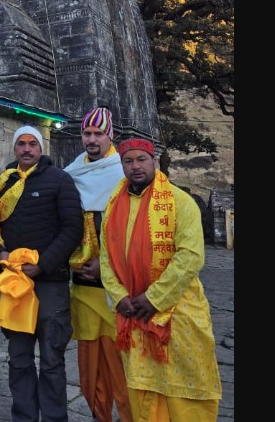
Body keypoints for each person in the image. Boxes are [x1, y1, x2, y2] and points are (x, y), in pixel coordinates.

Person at [99, 138, 222, 421]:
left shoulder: (181, 202)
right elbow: (107, 257)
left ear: (154, 161)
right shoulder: (114, 206)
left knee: (186, 389)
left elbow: (190, 257)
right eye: (128, 161)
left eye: (141, 159)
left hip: (178, 314)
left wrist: (155, 298)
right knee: (143, 390)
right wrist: (119, 296)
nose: (135, 166)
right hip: (133, 313)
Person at [0, 125, 83, 422]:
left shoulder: (60, 180)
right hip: (15, 283)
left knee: (52, 359)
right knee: (19, 358)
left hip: (50, 284)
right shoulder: (3, 182)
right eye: (21, 143)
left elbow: (73, 228)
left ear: (41, 148)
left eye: (32, 143)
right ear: (15, 148)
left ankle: (54, 418)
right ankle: (24, 417)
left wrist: (44, 263)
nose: (27, 148)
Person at [63, 108, 133, 422]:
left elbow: (133, 231)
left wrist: (105, 266)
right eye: (86, 134)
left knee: (123, 365)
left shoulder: (124, 174)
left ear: (110, 135)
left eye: (98, 134)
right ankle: (99, 415)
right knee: (90, 365)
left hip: (118, 289)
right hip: (82, 287)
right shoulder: (73, 172)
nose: (92, 140)